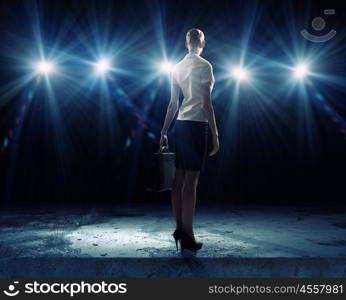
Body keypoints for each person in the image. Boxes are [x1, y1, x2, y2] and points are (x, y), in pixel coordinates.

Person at [160, 28, 219, 253]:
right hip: (196, 126)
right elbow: (206, 104)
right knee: (191, 183)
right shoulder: (205, 66)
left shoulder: (177, 67)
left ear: (186, 44)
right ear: (203, 43)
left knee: (178, 180)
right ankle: (188, 235)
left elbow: (173, 104)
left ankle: (179, 228)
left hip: (181, 126)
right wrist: (215, 133)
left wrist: (164, 131)